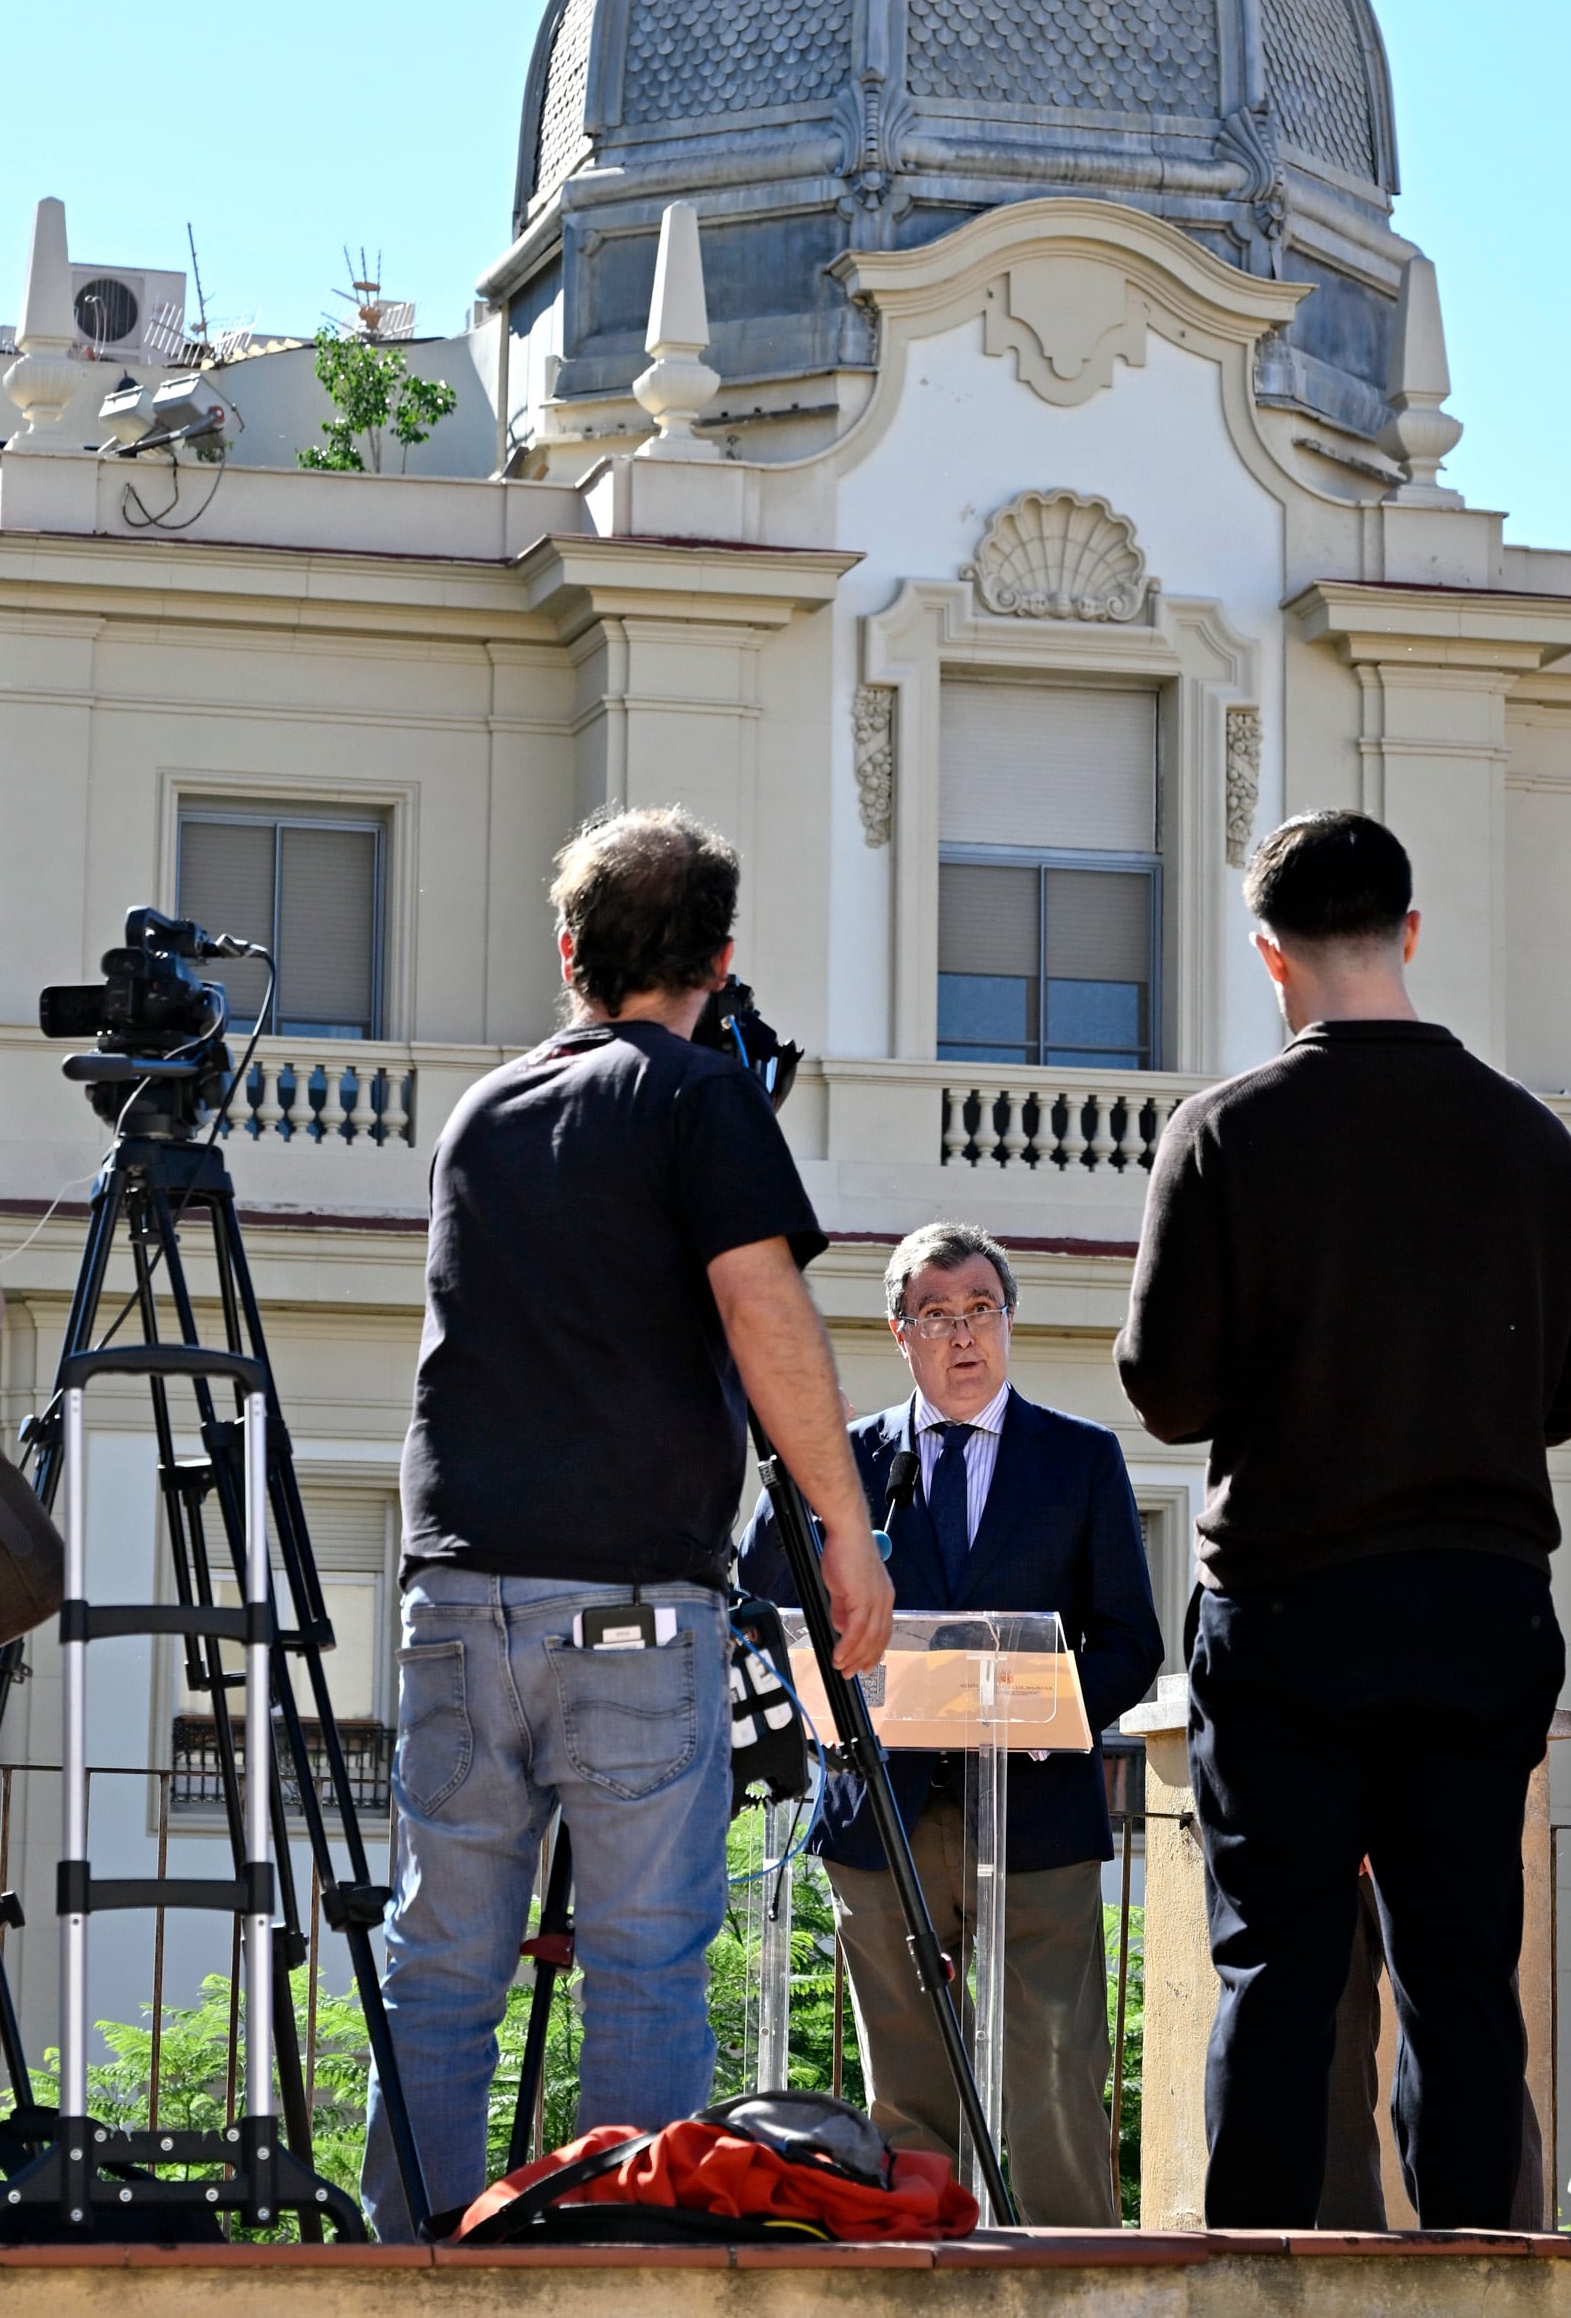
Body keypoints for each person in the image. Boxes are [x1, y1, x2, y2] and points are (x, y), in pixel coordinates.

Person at [364, 805, 893, 2235]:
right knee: (647, 1960)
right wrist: (845, 1522)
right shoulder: (697, 1096)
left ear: (569, 952)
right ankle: (628, 2266)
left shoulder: (482, 1109)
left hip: (458, 1590)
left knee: (440, 1962)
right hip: (631, 1600)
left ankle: (394, 2263)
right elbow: (762, 1308)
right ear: (718, 961)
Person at [1116, 808, 1571, 2228]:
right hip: (1479, 1599)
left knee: (1274, 1968)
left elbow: (1168, 1390)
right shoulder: (1532, 1140)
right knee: (1462, 1979)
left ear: (1269, 952)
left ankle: (1269, 2270)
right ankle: (1471, 2269)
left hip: (1288, 1608)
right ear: (1410, 931)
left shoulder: (1222, 1133)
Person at [741, 1222, 1161, 2224]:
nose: (963, 1336)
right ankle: (917, 2268)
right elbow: (761, 1606)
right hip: (879, 1812)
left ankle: (1073, 2282)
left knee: (1056, 2080)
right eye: (938, 1316)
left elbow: (1130, 1642)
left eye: (981, 1311)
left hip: (1036, 1816)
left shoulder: (1082, 1460)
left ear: (1008, 1322)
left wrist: (1037, 1711)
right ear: (901, 1334)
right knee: (906, 2095)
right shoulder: (843, 1458)